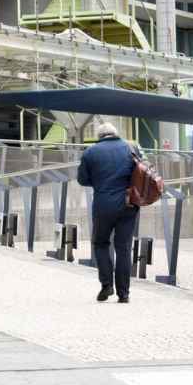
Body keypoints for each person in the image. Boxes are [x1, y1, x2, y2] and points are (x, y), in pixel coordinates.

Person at [76, 122, 140, 304]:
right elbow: (140, 172)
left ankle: (106, 285)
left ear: (100, 136)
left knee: (101, 243)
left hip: (103, 204)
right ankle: (124, 293)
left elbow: (82, 179)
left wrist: (100, 182)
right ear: (115, 133)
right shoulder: (131, 148)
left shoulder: (91, 152)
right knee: (124, 247)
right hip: (129, 203)